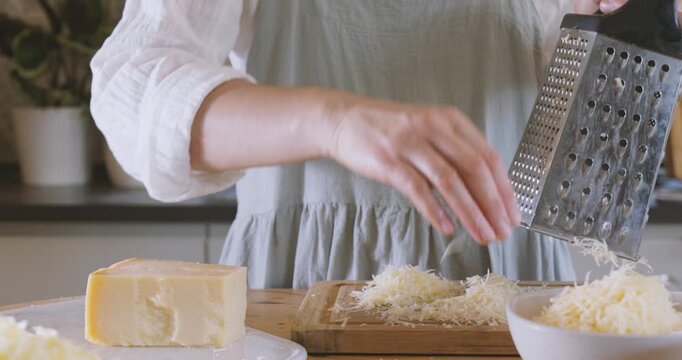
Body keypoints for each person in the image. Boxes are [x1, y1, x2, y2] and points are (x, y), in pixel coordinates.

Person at [90, 0, 630, 288]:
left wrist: (613, 28)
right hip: (303, 279)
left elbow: (589, 149)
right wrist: (331, 121)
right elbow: (132, 95)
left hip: (509, 281)